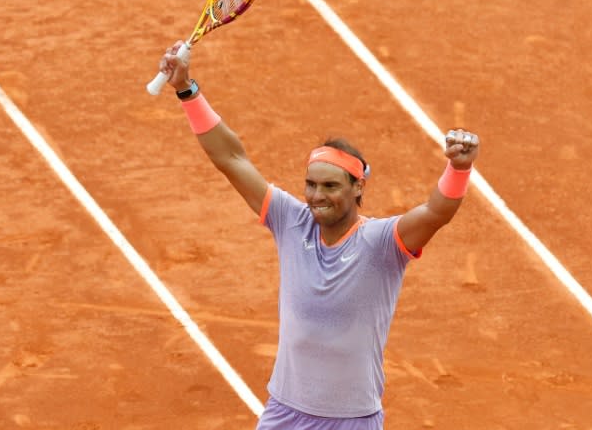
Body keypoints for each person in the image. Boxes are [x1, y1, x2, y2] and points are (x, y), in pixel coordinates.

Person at [157, 41, 480, 430]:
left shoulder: (381, 243)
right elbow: (231, 158)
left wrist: (459, 169)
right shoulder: (290, 220)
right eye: (311, 185)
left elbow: (435, 212)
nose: (316, 196)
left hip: (351, 420)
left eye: (330, 187)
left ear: (357, 188)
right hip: (284, 412)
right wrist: (186, 89)